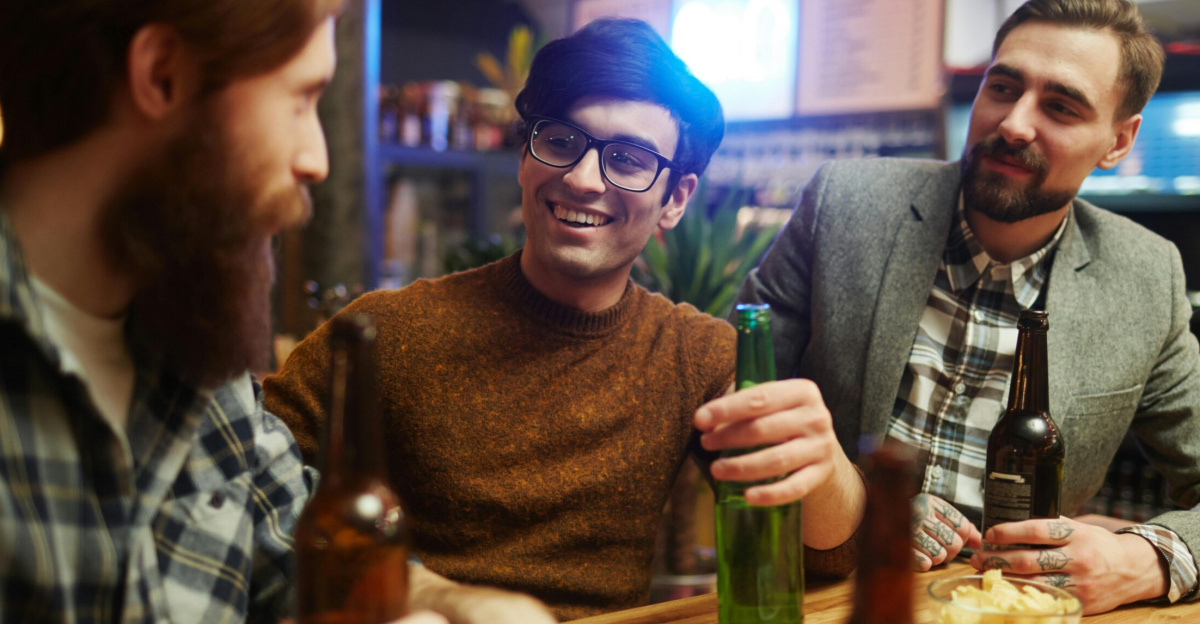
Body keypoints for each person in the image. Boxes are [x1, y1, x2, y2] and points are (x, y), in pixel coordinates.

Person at [264, 18, 866, 621]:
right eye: (560, 141)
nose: (581, 179)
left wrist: (825, 462)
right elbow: (238, 486)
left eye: (628, 160)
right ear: (526, 156)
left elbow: (828, 562)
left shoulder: (695, 354)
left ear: (675, 200)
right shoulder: (390, 329)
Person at [0, 1, 551, 622]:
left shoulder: (193, 340)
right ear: (162, 76)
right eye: (302, 99)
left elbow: (291, 545)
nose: (317, 158)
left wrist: (449, 604)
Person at [737, 0, 1200, 614]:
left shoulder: (1145, 276)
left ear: (1119, 140)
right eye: (1002, 87)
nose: (1014, 123)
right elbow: (730, 393)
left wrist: (1150, 556)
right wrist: (851, 500)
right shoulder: (844, 206)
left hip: (1014, 608)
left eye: (1060, 106)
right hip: (822, 593)